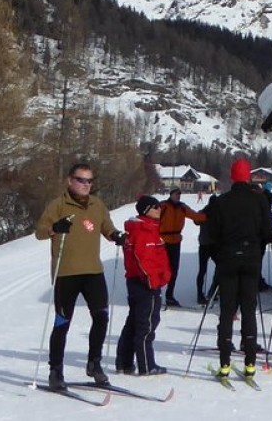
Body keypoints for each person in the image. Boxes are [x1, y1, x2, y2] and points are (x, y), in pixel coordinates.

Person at [34, 163, 124, 390]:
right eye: (81, 180)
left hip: (93, 271)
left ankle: (94, 363)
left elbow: (107, 228)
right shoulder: (58, 205)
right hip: (67, 272)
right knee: (62, 323)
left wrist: (117, 236)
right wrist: (55, 228)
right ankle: (56, 371)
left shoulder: (97, 205)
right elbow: (40, 232)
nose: (85, 185)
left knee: (102, 317)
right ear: (69, 180)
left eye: (89, 181)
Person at [202, 157, 272, 382]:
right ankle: (249, 364)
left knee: (227, 311)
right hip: (251, 260)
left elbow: (210, 235)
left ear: (231, 176)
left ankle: (225, 364)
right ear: (248, 176)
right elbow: (268, 233)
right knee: (249, 309)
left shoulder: (221, 202)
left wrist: (220, 256)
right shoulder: (259, 201)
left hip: (228, 259)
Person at [115, 196, 172, 375]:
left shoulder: (148, 228)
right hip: (145, 284)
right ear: (146, 210)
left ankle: (124, 362)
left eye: (160, 206)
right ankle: (146, 365)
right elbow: (143, 259)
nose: (159, 209)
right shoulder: (144, 230)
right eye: (155, 207)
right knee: (146, 325)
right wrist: (153, 282)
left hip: (139, 282)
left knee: (134, 321)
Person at [156, 188, 205, 308]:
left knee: (174, 270)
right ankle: (156, 294)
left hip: (176, 241)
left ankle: (169, 295)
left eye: (179, 194)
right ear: (171, 194)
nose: (178, 196)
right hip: (163, 241)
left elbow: (195, 216)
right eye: (176, 194)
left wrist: (208, 215)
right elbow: (152, 219)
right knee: (160, 269)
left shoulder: (182, 207)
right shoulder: (163, 206)